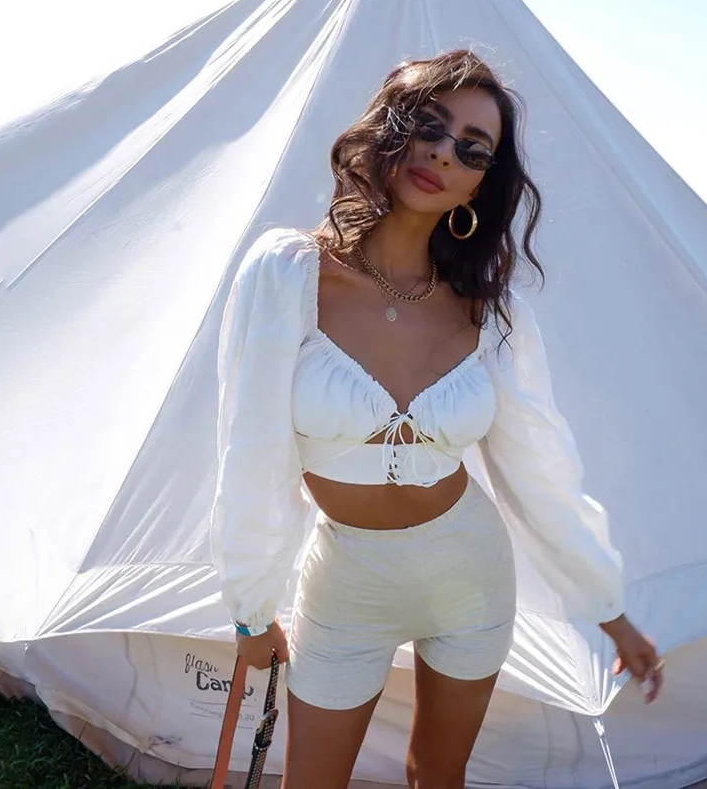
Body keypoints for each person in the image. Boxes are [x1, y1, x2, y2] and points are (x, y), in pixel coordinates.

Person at [210, 49, 664, 789]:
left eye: (472, 150)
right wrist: (250, 609)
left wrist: (610, 611)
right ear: (390, 128)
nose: (444, 154)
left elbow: (539, 466)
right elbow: (249, 446)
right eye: (429, 126)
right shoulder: (289, 272)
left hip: (470, 577)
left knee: (437, 776)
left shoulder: (490, 311)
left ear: (480, 184)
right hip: (346, 583)